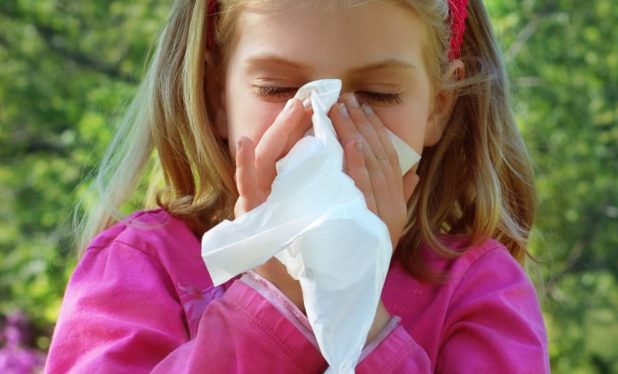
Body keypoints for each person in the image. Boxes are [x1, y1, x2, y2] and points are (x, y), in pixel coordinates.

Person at [46, 0, 548, 372]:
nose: (324, 125)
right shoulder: (138, 266)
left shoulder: (479, 290)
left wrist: (357, 302)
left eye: (378, 94)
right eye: (279, 90)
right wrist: (277, 293)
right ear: (217, 93)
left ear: (437, 106)